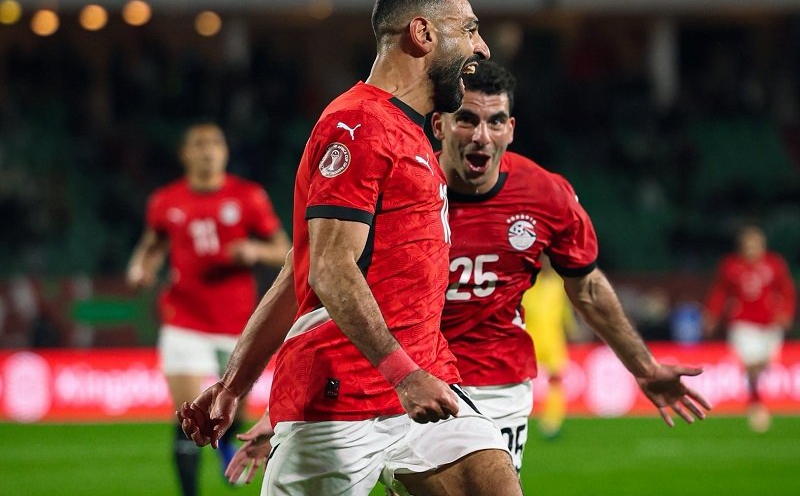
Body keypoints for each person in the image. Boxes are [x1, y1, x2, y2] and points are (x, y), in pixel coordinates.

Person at [222, 61, 713, 488]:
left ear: (511, 129)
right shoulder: (399, 181)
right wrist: (287, 407)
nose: (481, 135)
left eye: (495, 121)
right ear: (438, 124)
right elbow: (317, 277)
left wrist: (643, 367)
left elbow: (586, 287)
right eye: (467, 120)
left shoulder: (546, 195)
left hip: (496, 385)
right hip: (399, 378)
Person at [178, 0, 525, 496]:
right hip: (341, 399)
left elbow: (298, 271)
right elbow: (327, 269)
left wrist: (233, 385)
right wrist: (403, 374)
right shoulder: (359, 125)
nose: (482, 47)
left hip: (425, 383)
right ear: (423, 34)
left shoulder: (408, 128)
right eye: (470, 29)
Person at [126, 122, 290, 496]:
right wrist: (140, 268)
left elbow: (284, 249)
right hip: (184, 320)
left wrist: (254, 250)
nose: (208, 150)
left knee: (235, 410)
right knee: (187, 414)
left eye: (215, 143)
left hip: (238, 324)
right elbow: (152, 245)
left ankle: (227, 441)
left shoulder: (248, 197)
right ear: (185, 154)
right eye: (199, 143)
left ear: (225, 152)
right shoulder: (166, 200)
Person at [704, 224, 796, 432]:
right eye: (748, 245)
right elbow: (720, 292)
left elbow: (786, 290)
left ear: (763, 245)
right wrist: (712, 314)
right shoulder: (730, 266)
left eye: (756, 245)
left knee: (766, 363)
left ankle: (756, 398)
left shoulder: (774, 264)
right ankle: (756, 404)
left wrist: (786, 312)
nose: (752, 249)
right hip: (742, 323)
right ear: (741, 246)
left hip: (769, 324)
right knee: (750, 364)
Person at [521, 255, 576, 439]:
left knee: (556, 380)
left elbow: (564, 311)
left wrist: (572, 330)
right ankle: (518, 417)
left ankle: (551, 423)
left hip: (553, 340)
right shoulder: (528, 284)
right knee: (520, 381)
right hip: (530, 339)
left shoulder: (558, 284)